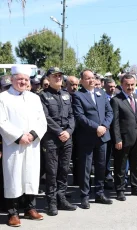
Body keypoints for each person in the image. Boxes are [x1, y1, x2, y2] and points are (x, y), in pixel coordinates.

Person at [0, 65, 47, 227]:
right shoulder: (3, 98)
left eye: (26, 79)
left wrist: (33, 135)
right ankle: (13, 213)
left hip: (32, 144)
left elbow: (42, 121)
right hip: (14, 145)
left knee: (31, 175)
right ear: (12, 79)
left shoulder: (34, 98)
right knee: (13, 176)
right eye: (19, 79)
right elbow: (2, 122)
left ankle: (30, 208)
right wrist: (19, 136)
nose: (23, 82)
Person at [72, 69, 114, 209]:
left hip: (103, 136)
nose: (91, 80)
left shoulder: (101, 93)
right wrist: (96, 127)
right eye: (88, 78)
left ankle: (100, 193)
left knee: (101, 166)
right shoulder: (78, 95)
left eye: (93, 78)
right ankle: (85, 196)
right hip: (87, 137)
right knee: (86, 168)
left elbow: (109, 112)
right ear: (82, 81)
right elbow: (80, 116)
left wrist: (105, 126)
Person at [39, 67, 77, 216]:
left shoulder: (67, 95)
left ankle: (61, 198)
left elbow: (72, 116)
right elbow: (45, 117)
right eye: (55, 76)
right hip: (52, 138)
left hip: (67, 138)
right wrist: (59, 131)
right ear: (48, 78)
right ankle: (51, 202)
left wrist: (68, 131)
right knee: (52, 171)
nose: (58, 78)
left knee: (64, 170)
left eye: (60, 76)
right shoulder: (43, 96)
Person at [110, 73, 137, 201]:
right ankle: (120, 190)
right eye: (127, 85)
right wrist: (117, 139)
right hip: (124, 138)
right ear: (122, 85)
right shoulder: (116, 100)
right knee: (120, 165)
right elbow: (114, 122)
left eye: (132, 84)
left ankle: (135, 187)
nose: (130, 87)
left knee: (136, 164)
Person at [104, 78, 117, 187]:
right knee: (106, 155)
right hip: (106, 130)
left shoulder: (118, 97)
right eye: (109, 87)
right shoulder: (102, 98)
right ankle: (107, 175)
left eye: (113, 86)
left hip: (118, 131)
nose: (112, 89)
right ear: (105, 87)